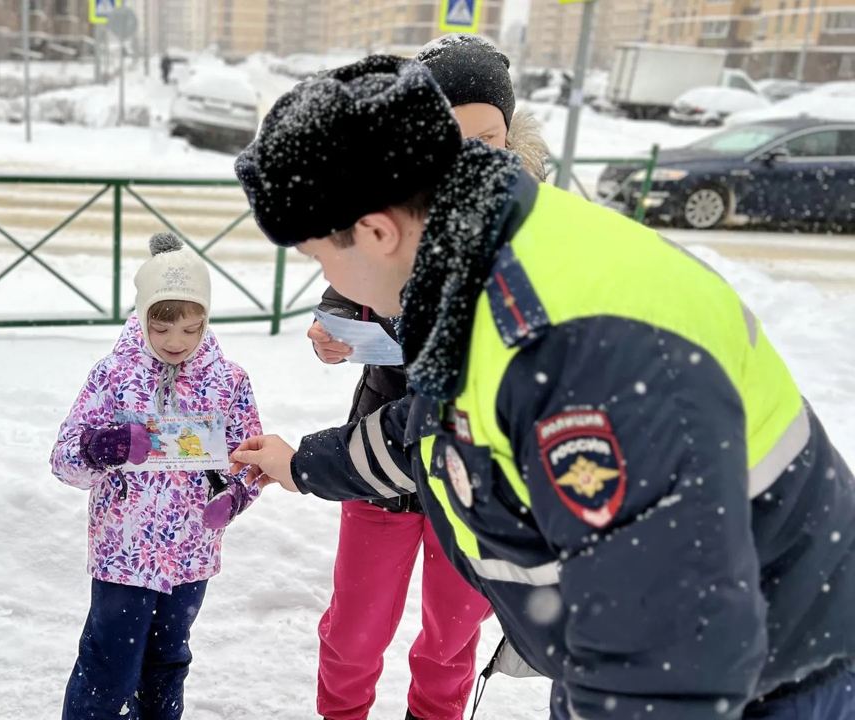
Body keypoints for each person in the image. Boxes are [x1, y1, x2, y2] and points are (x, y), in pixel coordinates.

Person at [231, 55, 855, 720]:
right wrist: (300, 464)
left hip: (766, 682)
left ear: (378, 233)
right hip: (655, 652)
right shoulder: (487, 249)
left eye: (320, 259)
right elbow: (440, 426)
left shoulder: (572, 355)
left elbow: (664, 668)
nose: (328, 281)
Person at [304, 35, 549, 720]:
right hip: (377, 465)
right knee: (355, 632)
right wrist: (335, 326)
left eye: (488, 135)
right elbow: (346, 286)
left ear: (507, 138)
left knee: (451, 636)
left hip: (477, 478)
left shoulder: (531, 232)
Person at [50, 233, 262, 720]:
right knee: (109, 664)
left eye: (191, 329)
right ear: (142, 316)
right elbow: (63, 459)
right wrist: (102, 447)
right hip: (122, 553)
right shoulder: (112, 376)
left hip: (191, 554)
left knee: (168, 661)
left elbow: (248, 458)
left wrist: (234, 498)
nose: (175, 343)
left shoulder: (228, 381)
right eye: (162, 328)